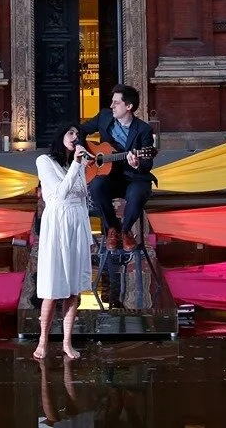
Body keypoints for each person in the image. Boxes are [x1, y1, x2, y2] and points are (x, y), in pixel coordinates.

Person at [34, 124, 93, 360]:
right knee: (52, 287)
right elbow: (59, 194)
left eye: (77, 135)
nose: (75, 138)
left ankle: (67, 342)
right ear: (60, 137)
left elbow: (80, 194)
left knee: (73, 289)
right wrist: (77, 166)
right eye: (71, 133)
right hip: (57, 224)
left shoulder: (75, 163)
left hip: (76, 223)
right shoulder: (44, 162)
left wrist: (81, 168)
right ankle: (43, 341)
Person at [79, 84, 156, 252]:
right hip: (109, 175)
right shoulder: (104, 117)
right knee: (96, 186)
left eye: (116, 103)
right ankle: (113, 228)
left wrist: (137, 163)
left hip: (133, 177)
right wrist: (81, 148)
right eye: (112, 102)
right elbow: (81, 130)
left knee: (137, 194)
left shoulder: (143, 129)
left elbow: (147, 162)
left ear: (129, 107)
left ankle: (126, 230)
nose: (111, 106)